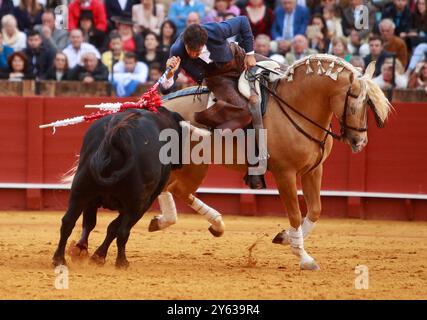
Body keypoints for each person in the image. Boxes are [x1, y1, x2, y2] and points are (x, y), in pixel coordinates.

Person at [162, 16, 267, 189]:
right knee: (245, 109)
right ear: (185, 44)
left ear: (205, 41)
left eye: (198, 50)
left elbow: (242, 22)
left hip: (239, 59)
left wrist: (249, 53)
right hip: (218, 79)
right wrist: (170, 73)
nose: (194, 54)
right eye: (190, 50)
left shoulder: (215, 30)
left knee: (280, 73)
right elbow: (165, 89)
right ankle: (242, 154)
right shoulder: (177, 50)